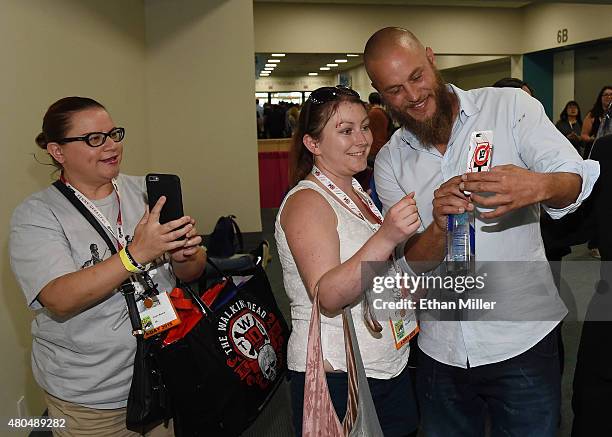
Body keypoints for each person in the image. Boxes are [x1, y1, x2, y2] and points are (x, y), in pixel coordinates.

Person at [364, 27, 599, 437]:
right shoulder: (389, 161)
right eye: (395, 90)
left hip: (522, 339)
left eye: (417, 76)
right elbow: (410, 264)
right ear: (380, 94)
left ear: (432, 59)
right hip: (441, 350)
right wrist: (437, 224)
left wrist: (537, 185)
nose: (413, 96)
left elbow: (576, 177)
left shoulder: (509, 107)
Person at [9, 97, 206, 436]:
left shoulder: (146, 192)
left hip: (166, 370)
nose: (112, 145)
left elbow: (192, 272)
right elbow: (58, 297)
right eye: (94, 139)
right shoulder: (38, 215)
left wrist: (185, 256)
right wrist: (134, 255)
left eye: (113, 134)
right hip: (92, 397)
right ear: (58, 151)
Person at [276, 85, 421, 437]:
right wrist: (387, 236)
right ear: (313, 144)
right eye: (345, 131)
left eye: (365, 126)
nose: (362, 139)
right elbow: (327, 294)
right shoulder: (307, 203)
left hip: (384, 364)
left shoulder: (354, 188)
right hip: (339, 375)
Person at [581, 85, 612, 154]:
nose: (609, 97)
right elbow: (583, 135)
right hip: (595, 150)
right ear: (600, 98)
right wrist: (592, 139)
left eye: (611, 94)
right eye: (606, 95)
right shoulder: (592, 114)